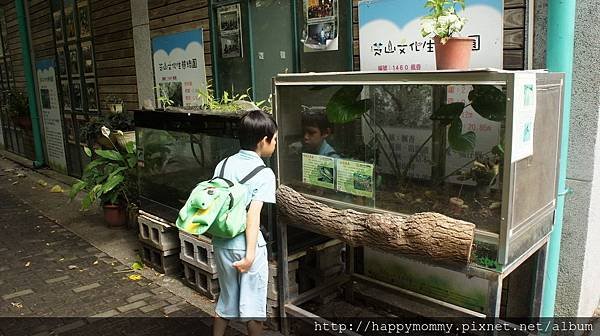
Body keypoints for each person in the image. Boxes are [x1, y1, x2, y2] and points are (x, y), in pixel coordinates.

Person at [211, 110, 277, 336]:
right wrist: (249, 256)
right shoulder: (265, 174)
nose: (275, 144)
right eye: (274, 139)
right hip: (248, 247)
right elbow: (253, 216)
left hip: (221, 243)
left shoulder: (222, 165)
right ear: (263, 141)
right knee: (253, 308)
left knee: (226, 300)